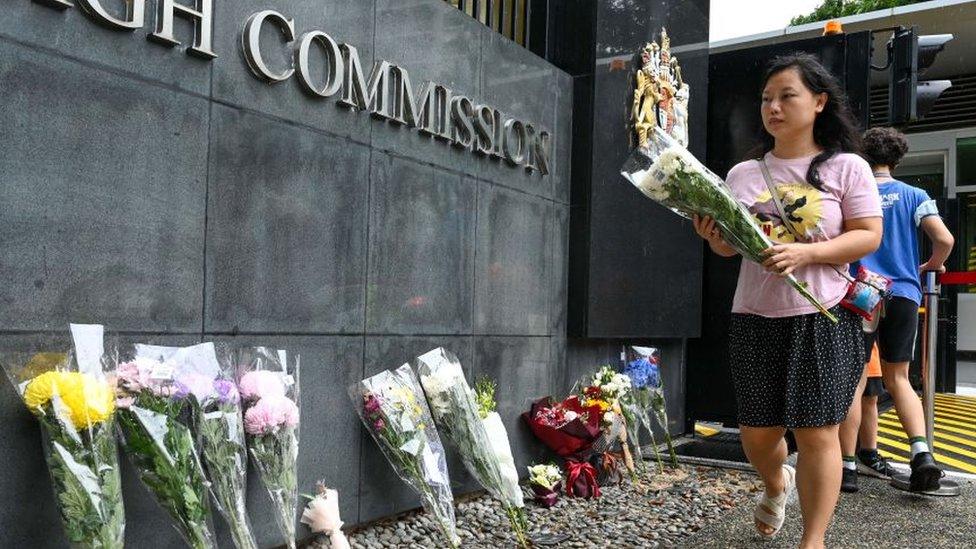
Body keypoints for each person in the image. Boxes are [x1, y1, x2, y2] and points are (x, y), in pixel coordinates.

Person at [693, 53, 882, 549]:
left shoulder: (847, 167)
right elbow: (730, 247)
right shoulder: (743, 174)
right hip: (755, 316)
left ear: (819, 101)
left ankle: (812, 540)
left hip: (822, 314)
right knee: (757, 433)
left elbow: (868, 236)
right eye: (766, 99)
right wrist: (713, 236)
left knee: (818, 431)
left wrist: (807, 252)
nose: (773, 107)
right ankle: (778, 483)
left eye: (786, 96)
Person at [840, 126, 955, 493]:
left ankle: (846, 468)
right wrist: (931, 266)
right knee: (899, 378)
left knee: (855, 381)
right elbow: (945, 239)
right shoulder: (915, 195)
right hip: (904, 291)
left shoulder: (854, 192)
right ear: (897, 159)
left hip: (862, 293)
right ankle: (921, 454)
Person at [839, 342, 895, 493]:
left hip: (868, 348)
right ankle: (846, 461)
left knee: (870, 398)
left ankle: (867, 455)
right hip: (847, 345)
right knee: (852, 397)